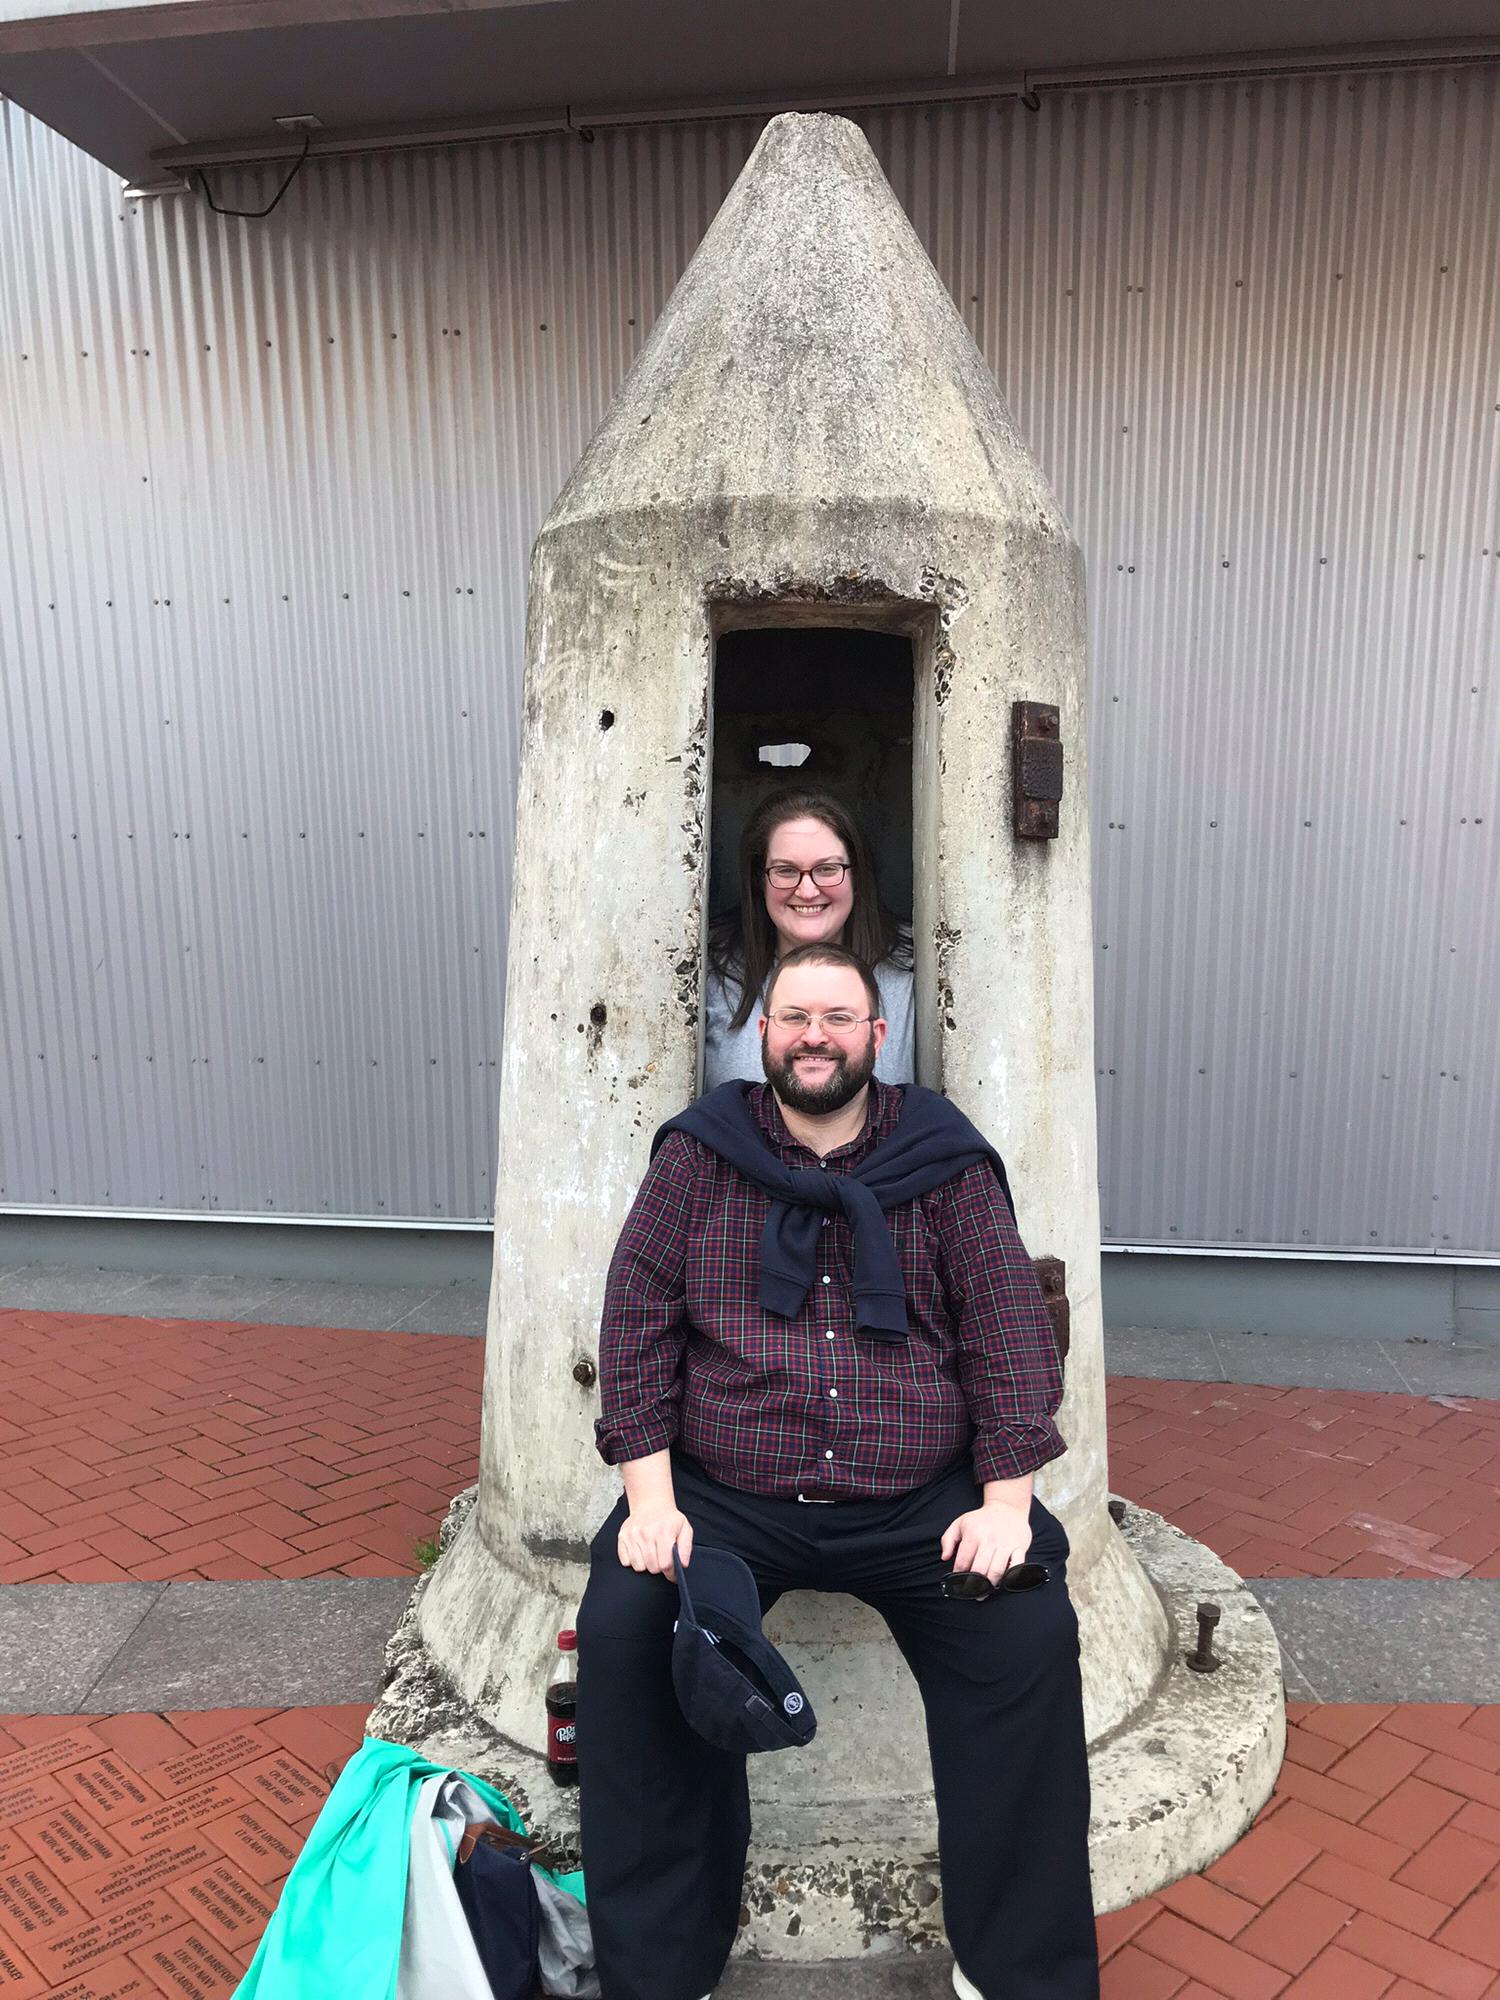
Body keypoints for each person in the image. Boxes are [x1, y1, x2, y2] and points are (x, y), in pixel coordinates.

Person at [576, 942, 1098, 2000]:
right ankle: (662, 1968)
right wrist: (650, 1500)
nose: (817, 1035)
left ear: (877, 1036)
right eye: (796, 1016)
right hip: (730, 1499)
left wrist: (1006, 1501)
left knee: (1027, 1627)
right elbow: (635, 1320)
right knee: (631, 1627)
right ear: (763, 1035)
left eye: (839, 1017)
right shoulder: (698, 1156)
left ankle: (1019, 1972)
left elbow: (1007, 1330)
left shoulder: (944, 1162)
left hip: (918, 1501)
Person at [703, 786, 915, 1087]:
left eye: (827, 869)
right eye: (785, 871)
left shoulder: (913, 968)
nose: (807, 891)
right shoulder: (710, 968)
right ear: (759, 881)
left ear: (857, 876)